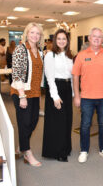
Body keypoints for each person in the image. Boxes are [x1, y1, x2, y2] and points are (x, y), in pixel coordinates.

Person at [72, 27, 103, 163]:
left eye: (99, 37)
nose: (97, 39)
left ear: (102, 40)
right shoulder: (81, 55)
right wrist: (77, 96)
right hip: (86, 98)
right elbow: (75, 77)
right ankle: (84, 150)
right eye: (94, 36)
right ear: (90, 39)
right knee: (85, 125)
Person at [11, 22, 44, 167]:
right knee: (24, 123)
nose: (35, 35)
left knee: (34, 120)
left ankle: (20, 146)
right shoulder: (21, 49)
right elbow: (17, 74)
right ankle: (27, 152)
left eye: (37, 33)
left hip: (35, 92)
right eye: (32, 32)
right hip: (21, 92)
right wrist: (22, 95)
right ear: (27, 33)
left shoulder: (40, 51)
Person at [42, 29, 73, 162]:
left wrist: (72, 93)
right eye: (59, 38)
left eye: (64, 39)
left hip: (67, 89)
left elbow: (71, 76)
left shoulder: (69, 55)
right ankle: (58, 152)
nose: (61, 41)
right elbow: (49, 77)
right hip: (56, 89)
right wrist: (55, 96)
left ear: (67, 41)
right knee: (58, 122)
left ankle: (66, 148)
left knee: (67, 120)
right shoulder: (50, 55)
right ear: (55, 40)